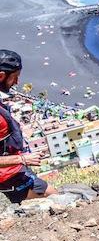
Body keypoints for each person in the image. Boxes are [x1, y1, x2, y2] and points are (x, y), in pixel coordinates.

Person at [0, 50, 56, 203]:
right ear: (1, 76)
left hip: (12, 167)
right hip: (8, 174)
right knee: (53, 196)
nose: (17, 82)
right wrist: (22, 159)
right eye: (14, 77)